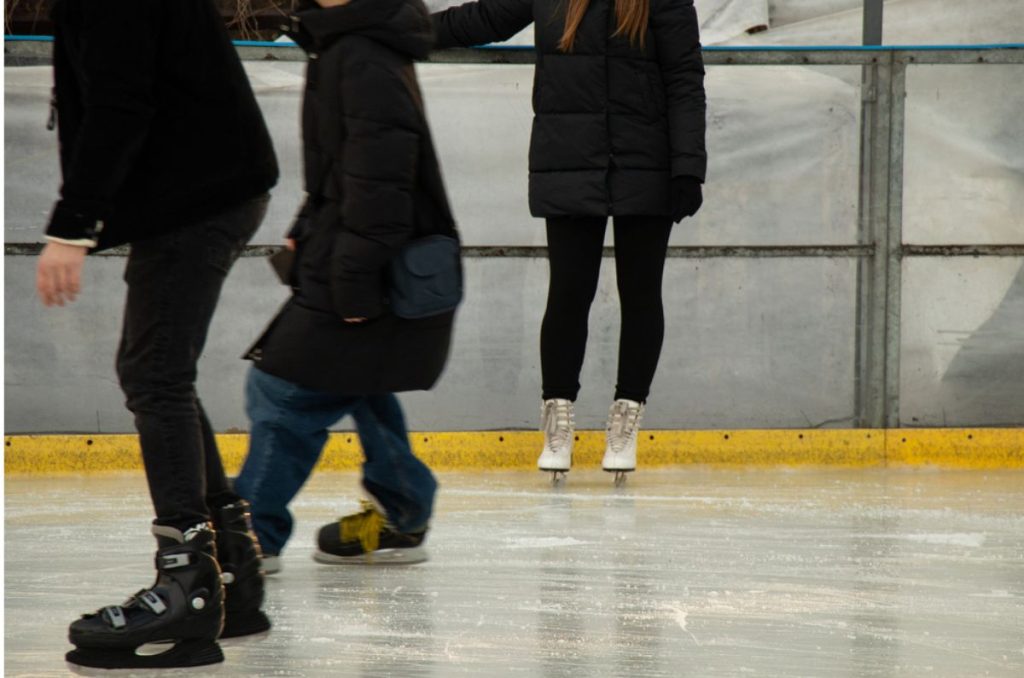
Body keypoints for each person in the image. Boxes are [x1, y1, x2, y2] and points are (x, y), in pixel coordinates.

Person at [37, 0, 279, 670]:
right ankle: (231, 574)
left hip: (198, 191)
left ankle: (189, 587)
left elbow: (121, 101)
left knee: (153, 372)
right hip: (201, 184)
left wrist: (73, 226)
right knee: (158, 368)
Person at [432, 0, 706, 480]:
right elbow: (483, 19)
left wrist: (687, 167)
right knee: (568, 292)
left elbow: (684, 77)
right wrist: (401, 25)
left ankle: (626, 416)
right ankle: (557, 419)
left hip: (646, 162)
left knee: (640, 294)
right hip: (570, 160)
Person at [233, 0, 456, 572]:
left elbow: (383, 189)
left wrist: (354, 286)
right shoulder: (346, 42)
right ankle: (403, 512)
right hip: (349, 251)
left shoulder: (362, 54)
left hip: (367, 265)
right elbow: (345, 169)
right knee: (358, 381)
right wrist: (306, 228)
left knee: (284, 388)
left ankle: (251, 536)